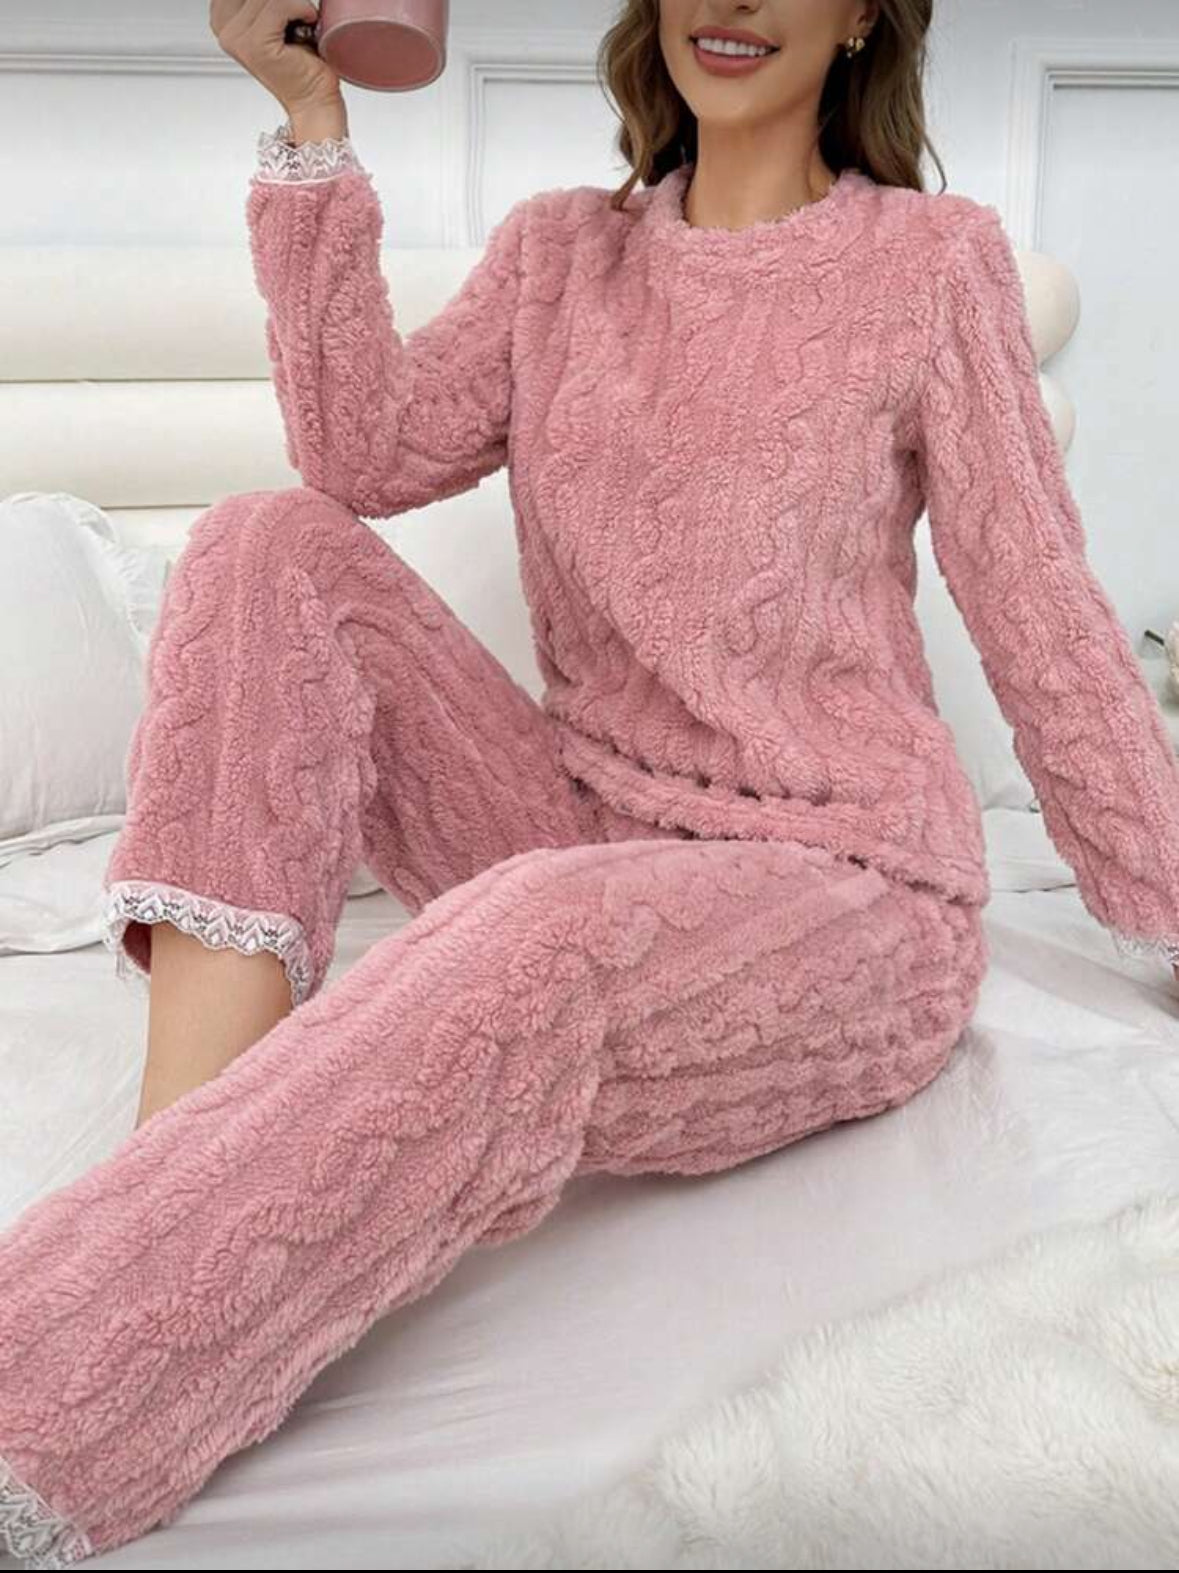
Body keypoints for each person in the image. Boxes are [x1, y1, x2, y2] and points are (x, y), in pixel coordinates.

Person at [4, 0, 1179, 1564]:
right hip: (575, 819)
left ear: (861, 19)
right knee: (264, 541)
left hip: (841, 887)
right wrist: (313, 124)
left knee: (538, 942)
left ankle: (45, 1404)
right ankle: (176, 1191)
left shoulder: (931, 265)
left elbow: (1042, 617)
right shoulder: (560, 254)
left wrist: (1167, 900)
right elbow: (358, 455)